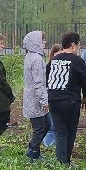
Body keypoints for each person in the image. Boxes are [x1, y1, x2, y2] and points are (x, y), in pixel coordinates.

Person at [44, 32, 86, 166]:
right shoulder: (77, 61)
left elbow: (47, 78)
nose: (79, 48)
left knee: (59, 131)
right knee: (70, 131)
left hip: (53, 100)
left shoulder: (53, 60)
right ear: (72, 45)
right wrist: (85, 97)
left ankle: (61, 162)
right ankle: (67, 161)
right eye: (78, 45)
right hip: (70, 101)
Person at [20, 30, 50, 162]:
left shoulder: (30, 56)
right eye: (42, 40)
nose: (44, 43)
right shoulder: (37, 59)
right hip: (36, 99)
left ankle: (35, 149)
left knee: (46, 124)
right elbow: (38, 82)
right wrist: (44, 100)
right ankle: (33, 152)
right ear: (35, 43)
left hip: (33, 96)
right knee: (40, 127)